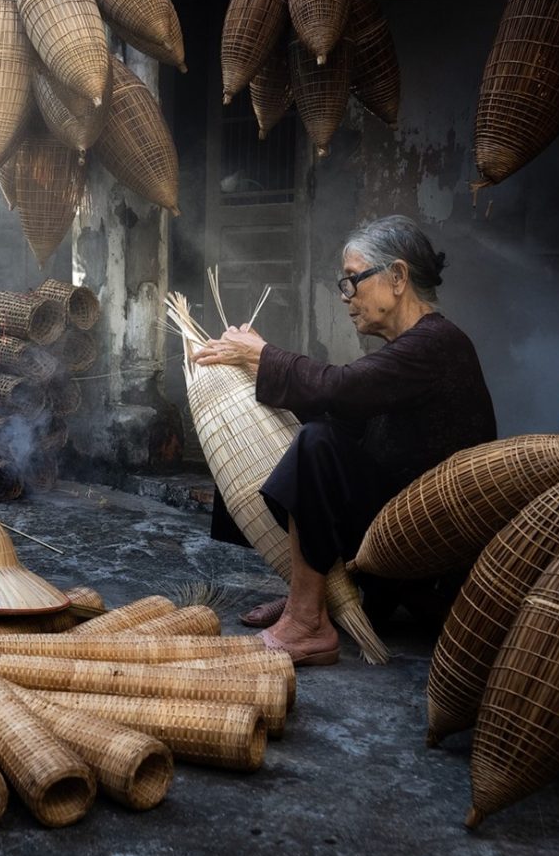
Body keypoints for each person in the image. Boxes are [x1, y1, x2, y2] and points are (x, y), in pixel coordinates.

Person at [193, 215, 496, 665]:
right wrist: (257, 373)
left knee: (317, 445)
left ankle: (308, 621)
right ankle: (308, 594)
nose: (345, 297)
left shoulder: (439, 344)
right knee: (307, 437)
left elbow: (341, 387)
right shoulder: (408, 348)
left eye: (353, 281)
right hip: (392, 527)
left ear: (397, 277)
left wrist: (265, 357)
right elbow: (340, 407)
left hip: (426, 550)